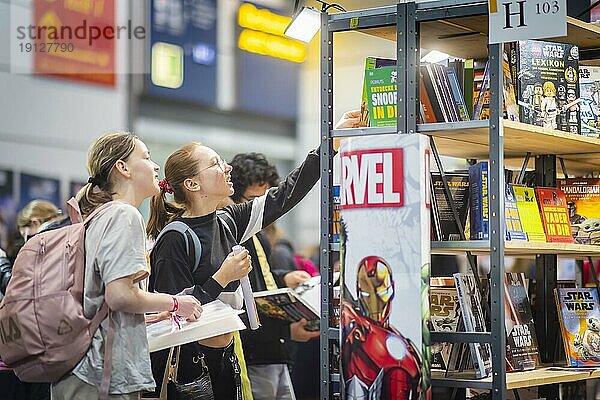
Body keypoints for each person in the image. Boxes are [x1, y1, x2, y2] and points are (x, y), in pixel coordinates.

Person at [147, 111, 359, 400]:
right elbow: (168, 315)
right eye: (215, 164)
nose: (227, 168)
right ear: (192, 184)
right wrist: (223, 277)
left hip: (229, 360)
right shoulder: (174, 239)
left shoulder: (227, 220)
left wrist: (329, 145)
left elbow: (286, 194)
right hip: (190, 372)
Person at [50, 132, 202, 400]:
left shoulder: (99, 216)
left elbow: (102, 300)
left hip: (83, 370)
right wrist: (177, 304)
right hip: (101, 373)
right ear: (123, 168)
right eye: (146, 157)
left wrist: (151, 313)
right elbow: (119, 295)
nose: (156, 166)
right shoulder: (124, 214)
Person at [229, 152, 319, 400]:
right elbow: (238, 303)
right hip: (254, 356)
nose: (261, 208)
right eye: (253, 200)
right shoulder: (231, 233)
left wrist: (283, 279)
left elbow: (261, 281)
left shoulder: (259, 236)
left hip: (276, 353)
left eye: (264, 199)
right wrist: (286, 333)